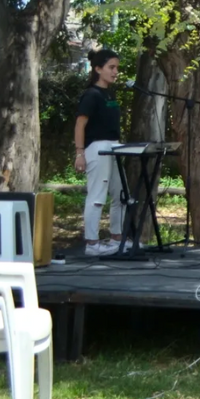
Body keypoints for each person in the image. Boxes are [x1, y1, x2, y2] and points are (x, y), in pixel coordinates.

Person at [75, 48, 127, 256]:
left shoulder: (109, 93)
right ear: (98, 69)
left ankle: (117, 238)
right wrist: (80, 153)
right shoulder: (91, 95)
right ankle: (92, 242)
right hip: (97, 148)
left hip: (114, 146)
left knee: (120, 193)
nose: (115, 72)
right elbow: (80, 124)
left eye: (117, 68)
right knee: (97, 195)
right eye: (111, 68)